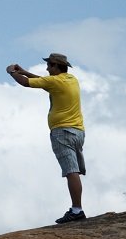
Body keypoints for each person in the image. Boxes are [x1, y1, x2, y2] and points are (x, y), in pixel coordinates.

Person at [6, 53, 87, 224]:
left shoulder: (55, 81)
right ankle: (77, 208)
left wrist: (12, 73)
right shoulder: (71, 79)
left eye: (50, 65)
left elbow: (27, 83)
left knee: (71, 171)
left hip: (62, 132)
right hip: (78, 132)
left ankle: (77, 210)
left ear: (57, 67)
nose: (47, 68)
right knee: (74, 171)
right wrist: (25, 71)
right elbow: (44, 82)